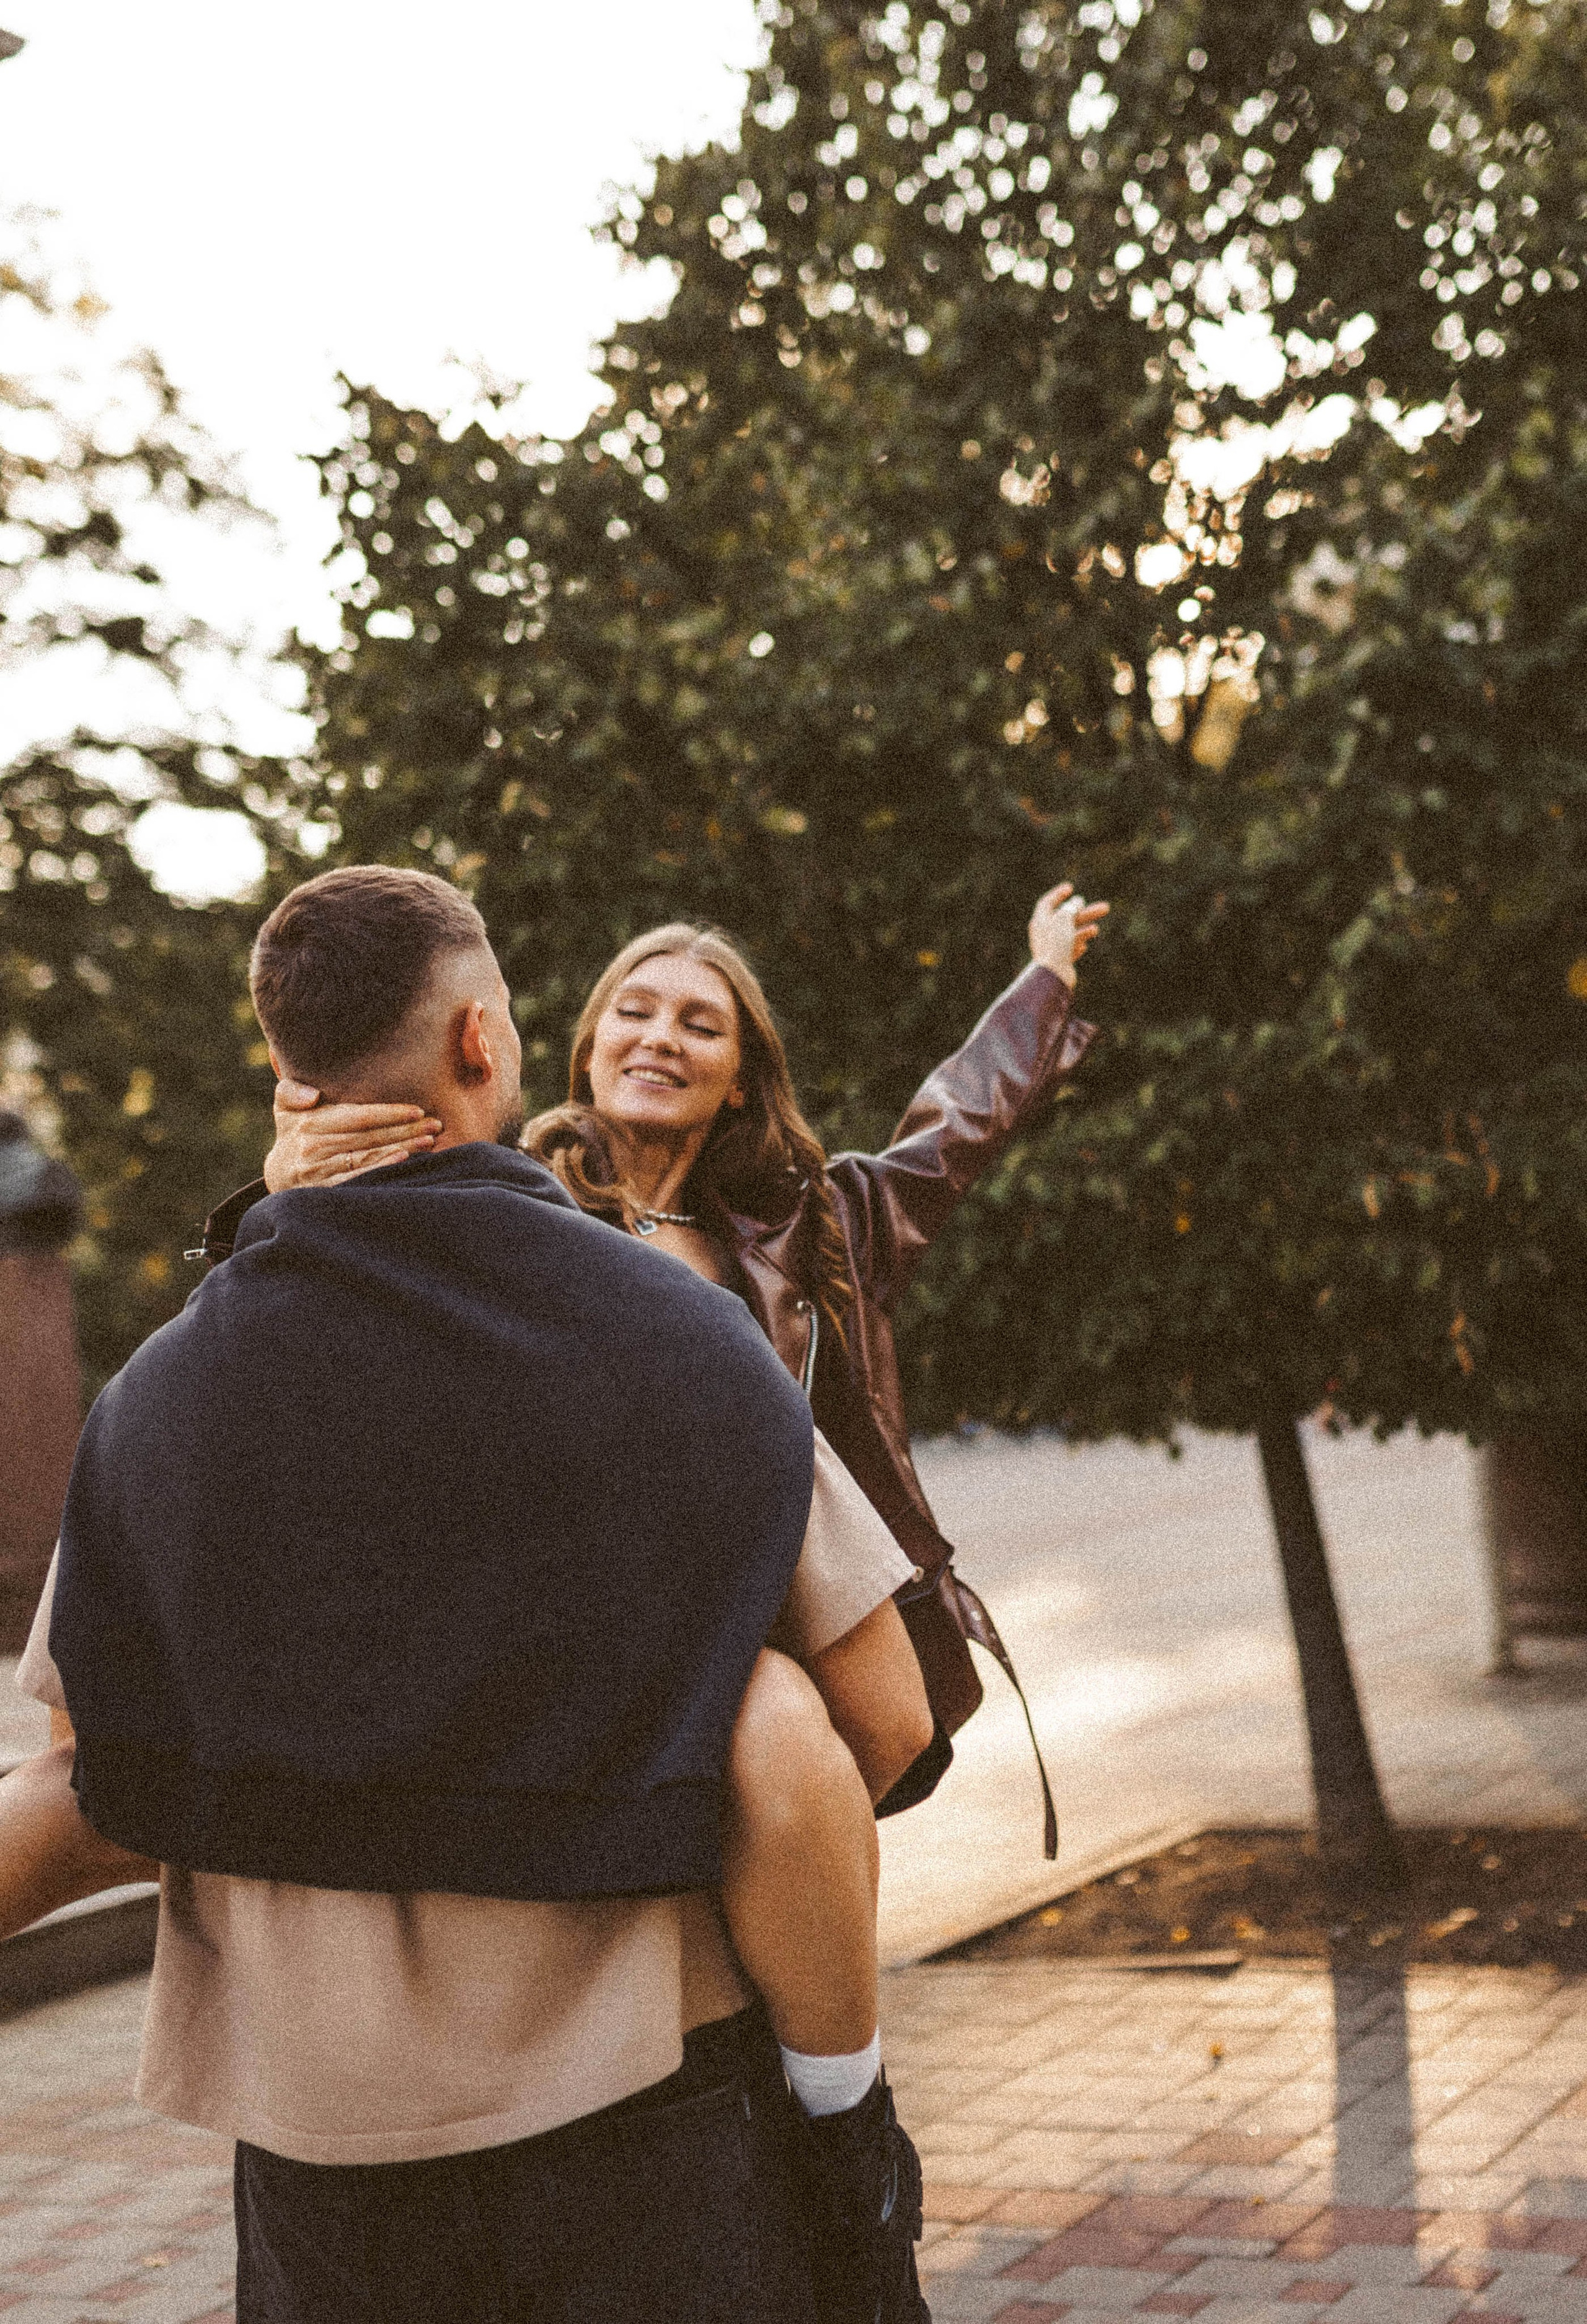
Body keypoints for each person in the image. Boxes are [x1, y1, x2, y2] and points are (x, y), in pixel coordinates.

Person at [8, 864, 937, 2324]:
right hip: (643, 2116)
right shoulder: (683, 1344)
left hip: (320, 2165)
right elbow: (879, 1717)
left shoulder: (160, 1400)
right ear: (481, 1045)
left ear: (287, 1078)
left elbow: (87, 1779)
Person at [258, 880, 1107, 1845]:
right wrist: (281, 1188)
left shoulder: (812, 1232)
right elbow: (297, 1295)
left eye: (701, 1024)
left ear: (741, 1076)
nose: (662, 1035)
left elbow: (951, 1129)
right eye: (636, 1012)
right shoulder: (503, 1207)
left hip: (797, 1643)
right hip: (595, 1650)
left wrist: (1043, 979)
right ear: (589, 1050)